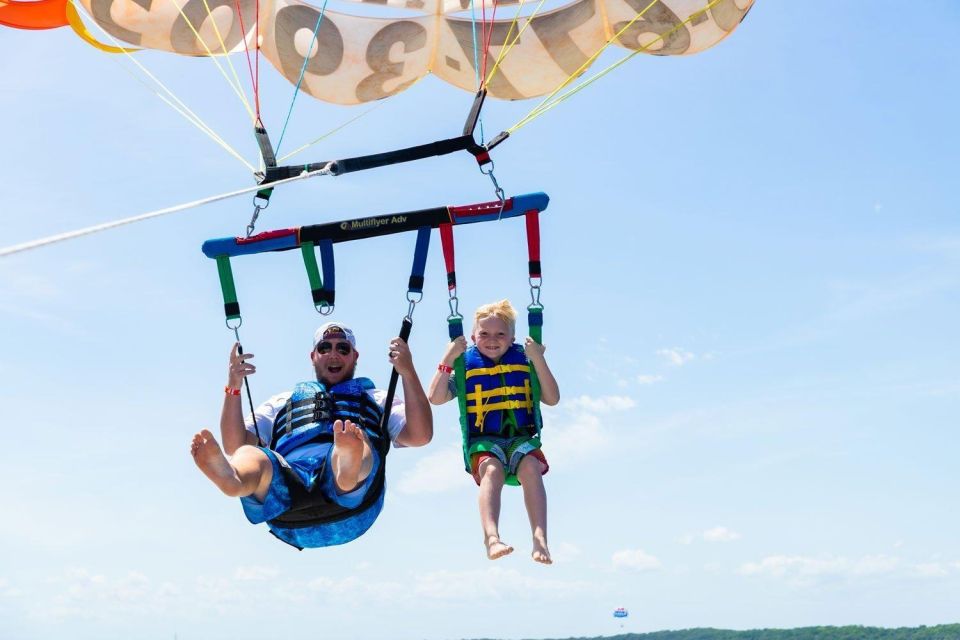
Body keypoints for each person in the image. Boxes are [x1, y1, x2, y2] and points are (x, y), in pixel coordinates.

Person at [191, 322, 432, 549]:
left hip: (353, 505)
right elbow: (234, 444)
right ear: (313, 355)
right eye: (324, 348)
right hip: (286, 492)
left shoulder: (377, 398)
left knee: (358, 443)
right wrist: (233, 385)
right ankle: (235, 480)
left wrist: (407, 372)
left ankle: (346, 468)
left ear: (355, 356)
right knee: (248, 454)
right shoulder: (281, 402)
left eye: (343, 348)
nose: (333, 354)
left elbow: (420, 435)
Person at [428, 300, 559, 564]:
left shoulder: (526, 359)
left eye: (500, 334)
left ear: (512, 338)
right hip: (484, 443)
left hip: (521, 439)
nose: (492, 340)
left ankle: (540, 538)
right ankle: (491, 538)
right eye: (484, 334)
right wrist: (447, 359)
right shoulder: (465, 367)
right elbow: (436, 397)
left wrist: (539, 359)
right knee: (491, 469)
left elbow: (552, 398)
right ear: (474, 337)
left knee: (531, 467)